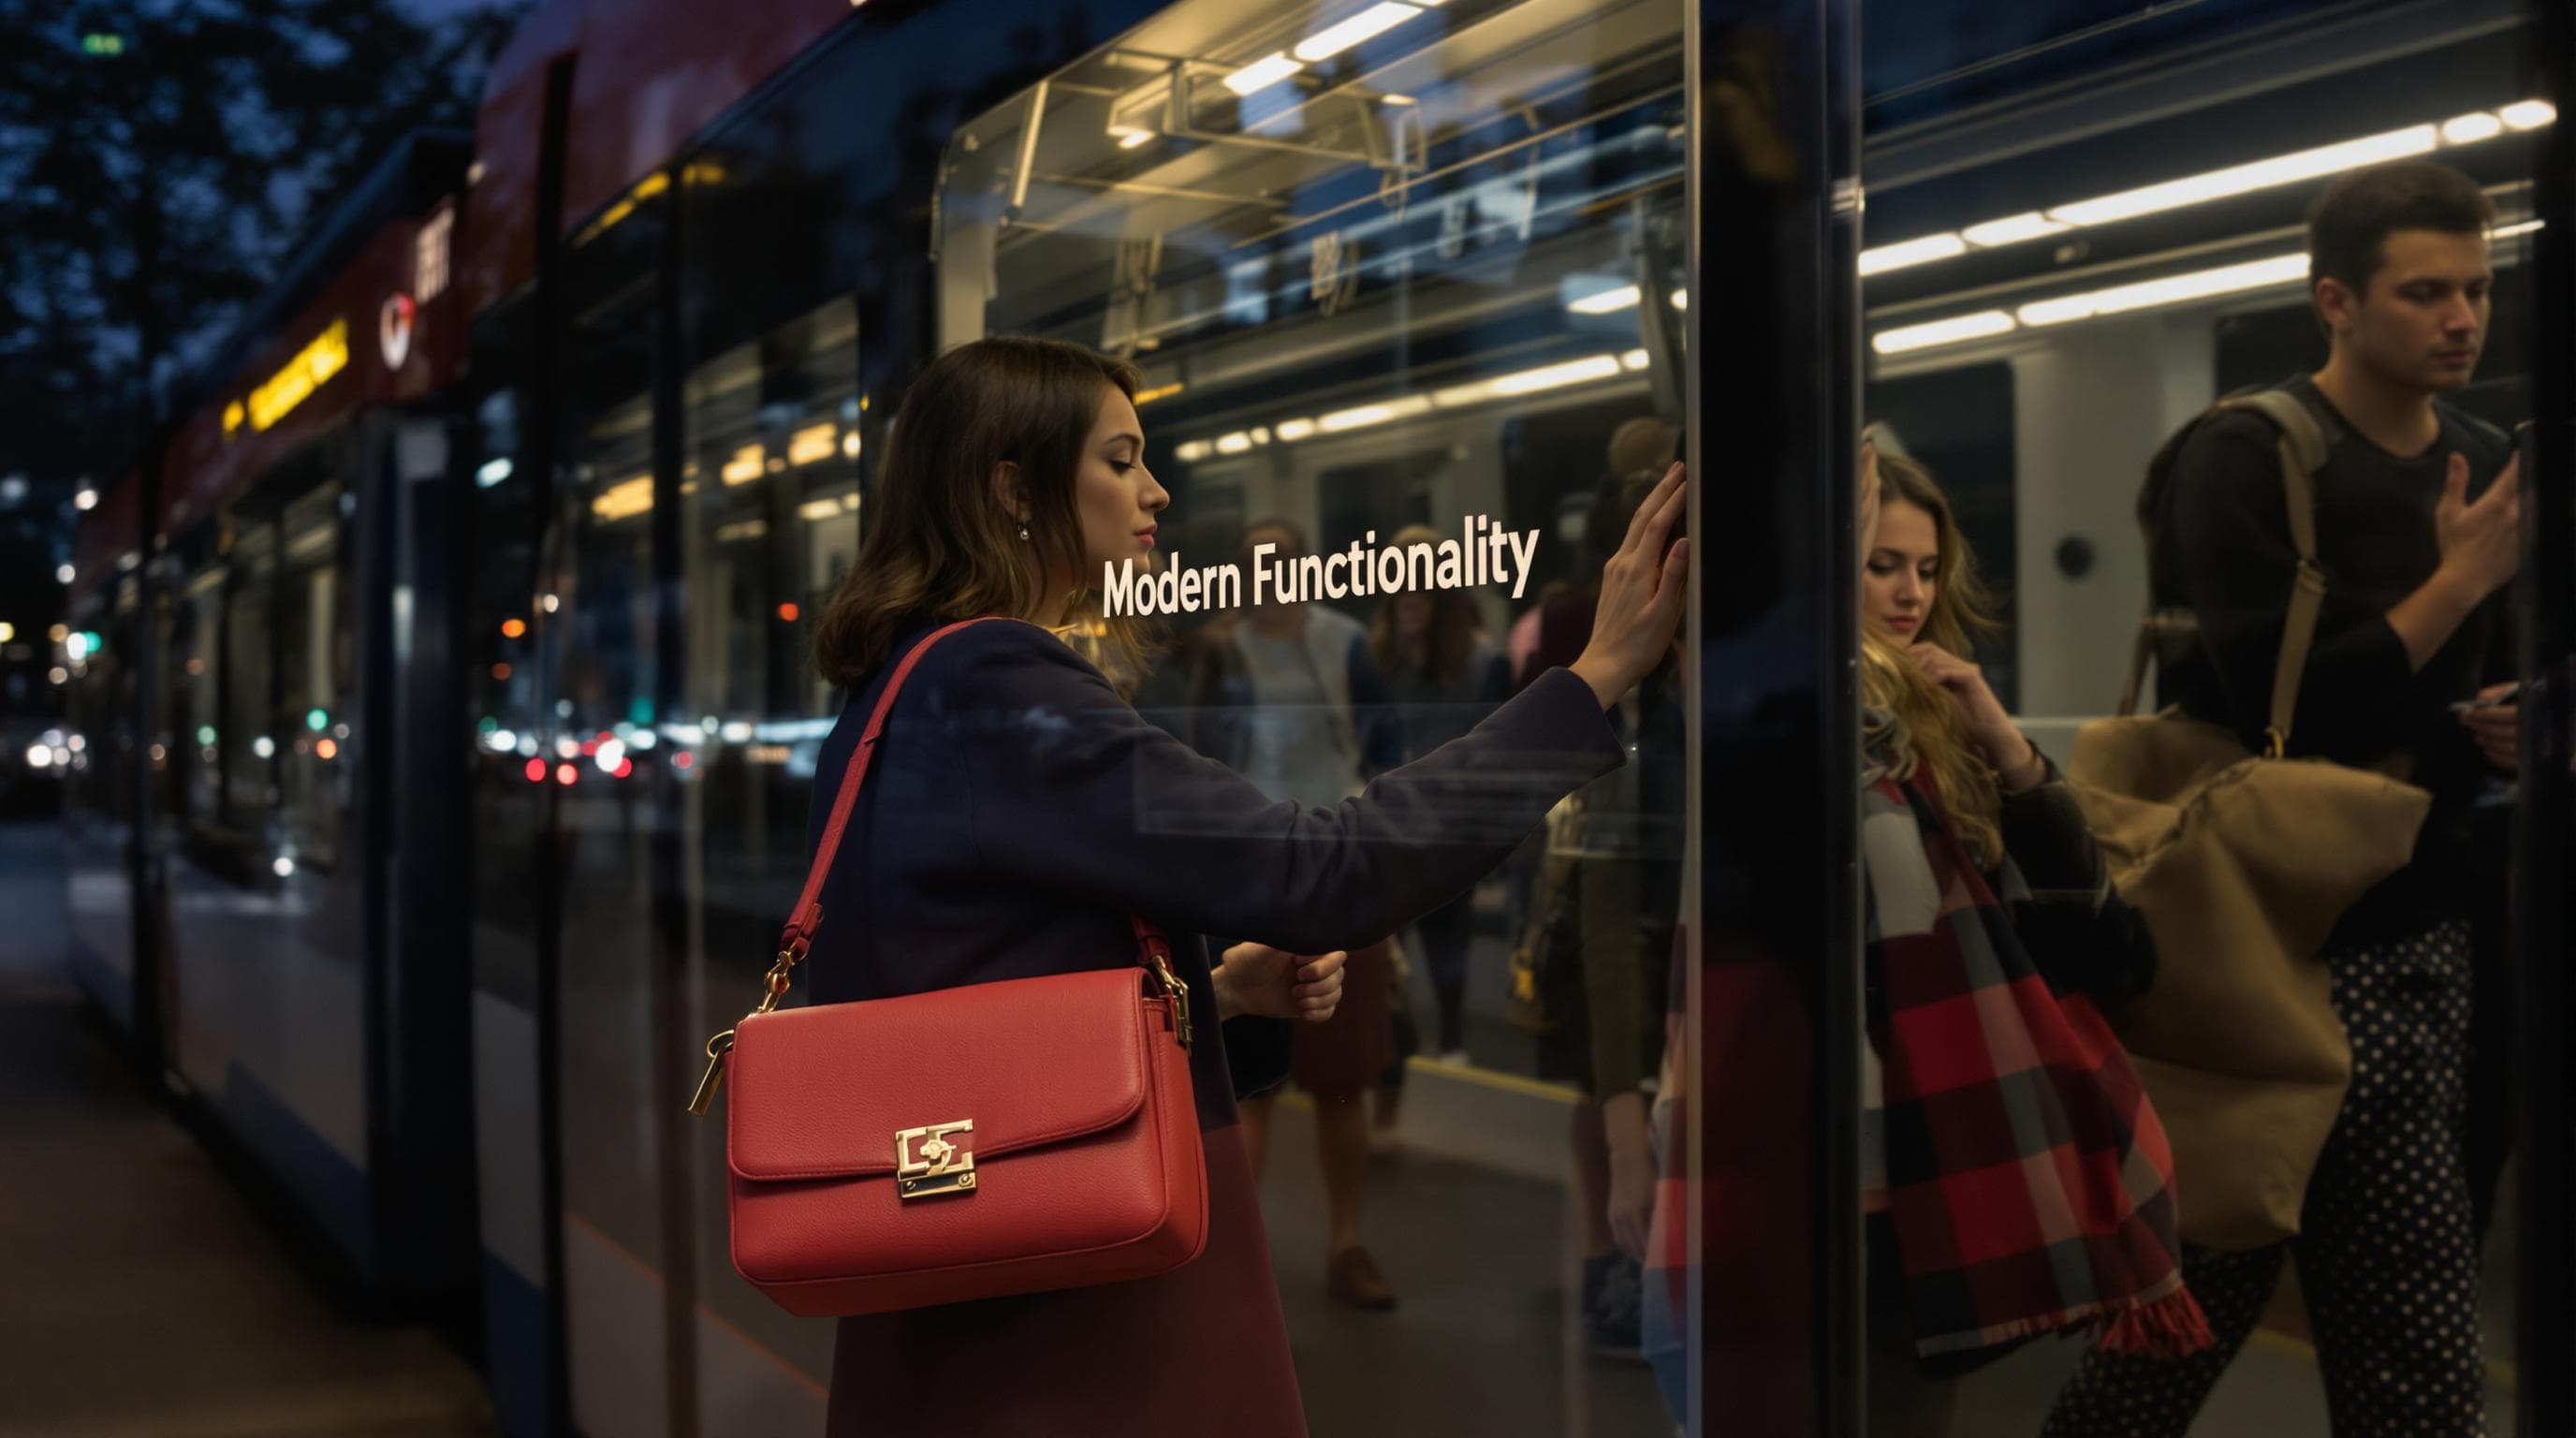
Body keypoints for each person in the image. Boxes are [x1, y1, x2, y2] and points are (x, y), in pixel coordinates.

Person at [799, 332, 1691, 1436]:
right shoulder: (996, 684)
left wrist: (1209, 993)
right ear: (1011, 489)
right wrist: (1593, 680)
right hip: (1063, 1318)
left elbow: (963, 980)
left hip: (965, 1261)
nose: (1155, 488)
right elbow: (1321, 870)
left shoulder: (902, 683)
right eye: (1120, 459)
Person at [2043, 158, 2524, 1438]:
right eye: (2425, 292)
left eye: (2476, 289)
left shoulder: (2484, 460)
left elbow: (2494, 670)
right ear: (2336, 303)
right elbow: (2280, 705)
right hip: (2253, 952)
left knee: (2419, 1361)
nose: (2462, 317)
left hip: (2416, 946)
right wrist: (2457, 585)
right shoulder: (2248, 458)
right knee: (2169, 1338)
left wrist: (2522, 724)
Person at [1852, 442, 2199, 1435]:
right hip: (1867, 1130)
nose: (1911, 592)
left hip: (1943, 1127)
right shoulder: (1831, 736)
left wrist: (2009, 752)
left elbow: (2106, 954)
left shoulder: (1945, 725)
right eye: (1881, 565)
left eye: (1926, 568)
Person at [1185, 520, 1411, 1309]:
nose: (1271, 577)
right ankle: (1242, 1257)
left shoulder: (1342, 642)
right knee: (1252, 1087)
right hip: (1252, 873)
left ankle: (1345, 1241)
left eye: (1283, 563)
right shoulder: (1226, 647)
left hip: (1334, 866)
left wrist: (1382, 865)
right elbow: (1199, 752)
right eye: (1257, 565)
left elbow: (1387, 748)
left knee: (1339, 1079)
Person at [1368, 530, 1515, 1063]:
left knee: (1448, 943)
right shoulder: (1380, 656)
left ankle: (1451, 1042)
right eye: (1397, 586)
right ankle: (1398, 1059)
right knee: (1387, 957)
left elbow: (1497, 757)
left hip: (1449, 830)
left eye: (1418, 588)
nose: (1406, 599)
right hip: (1386, 827)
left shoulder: (1482, 663)